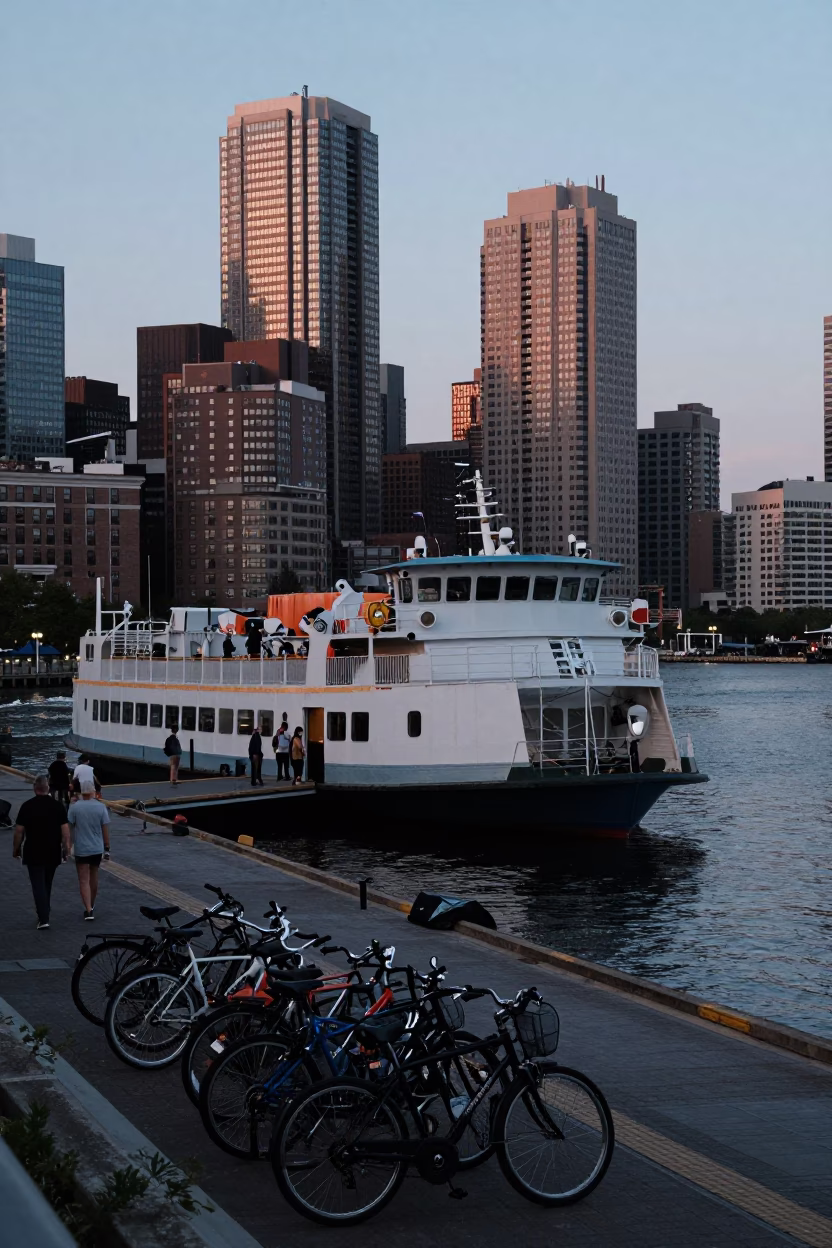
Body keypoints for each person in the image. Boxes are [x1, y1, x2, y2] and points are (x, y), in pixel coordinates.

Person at [13, 775, 70, 929]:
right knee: (47, 882)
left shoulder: (27, 806)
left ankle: (43, 918)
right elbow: (65, 832)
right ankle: (46, 909)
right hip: (53, 851)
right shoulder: (58, 806)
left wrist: (16, 849)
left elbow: (19, 831)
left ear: (35, 788)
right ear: (48, 788)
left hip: (33, 851)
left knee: (38, 884)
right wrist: (66, 850)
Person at [68, 780, 110, 919]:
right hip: (97, 848)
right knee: (94, 875)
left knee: (83, 880)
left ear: (81, 792)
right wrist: (107, 847)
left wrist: (67, 845)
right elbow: (105, 829)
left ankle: (88, 909)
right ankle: (92, 903)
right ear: (93, 791)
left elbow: (70, 828)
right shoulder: (101, 807)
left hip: (81, 848)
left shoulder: (74, 807)